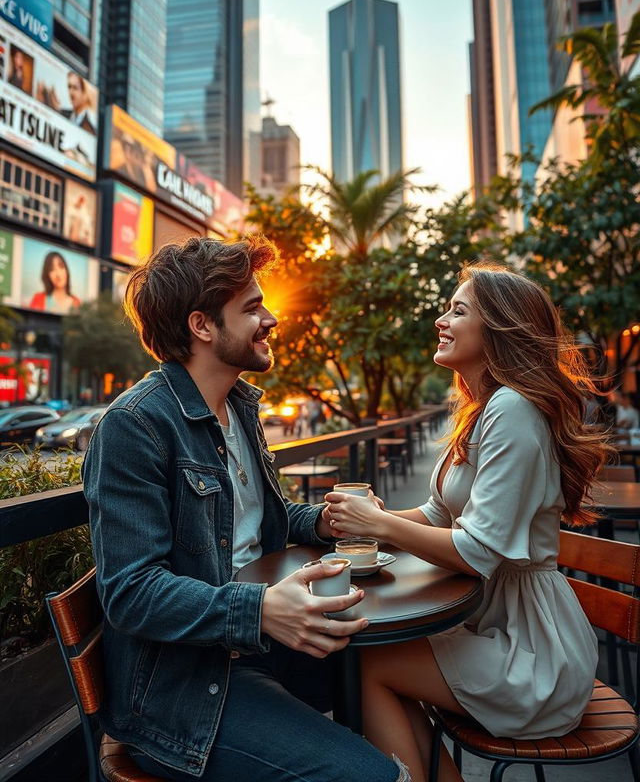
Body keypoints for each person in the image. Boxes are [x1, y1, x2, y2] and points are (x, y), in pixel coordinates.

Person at [82, 236, 407, 782]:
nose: (272, 318)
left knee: (408, 668)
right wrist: (257, 610)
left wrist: (322, 521)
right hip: (186, 692)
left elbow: (255, 525)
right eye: (253, 308)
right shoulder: (135, 426)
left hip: (262, 650)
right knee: (373, 775)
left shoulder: (238, 406)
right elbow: (130, 593)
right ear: (202, 326)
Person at [324, 264, 611, 782]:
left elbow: (476, 549)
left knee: (367, 664)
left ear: (500, 329)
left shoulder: (514, 408)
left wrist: (381, 527)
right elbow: (438, 515)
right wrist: (372, 517)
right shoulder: (484, 408)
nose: (441, 320)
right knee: (375, 661)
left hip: (533, 654)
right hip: (497, 626)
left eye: (458, 310)